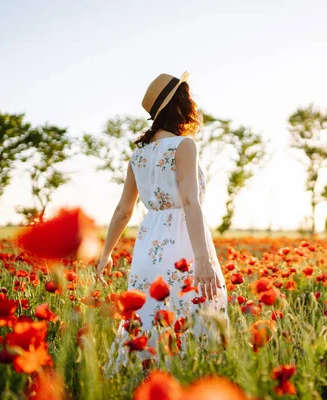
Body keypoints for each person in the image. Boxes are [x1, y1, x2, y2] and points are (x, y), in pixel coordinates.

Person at [95, 71, 229, 374]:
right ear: (179, 104)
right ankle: (186, 381)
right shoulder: (184, 145)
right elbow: (191, 203)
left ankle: (145, 382)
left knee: (148, 317)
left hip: (147, 243)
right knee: (191, 315)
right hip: (182, 241)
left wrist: (106, 255)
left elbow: (122, 212)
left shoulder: (138, 154)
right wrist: (203, 260)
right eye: (188, 96)